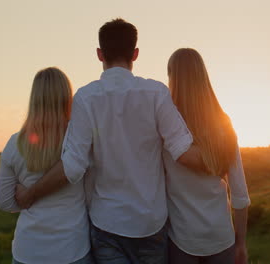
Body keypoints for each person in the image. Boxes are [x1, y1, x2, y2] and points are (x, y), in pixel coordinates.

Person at [14, 19, 206, 264]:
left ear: (99, 54)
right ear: (135, 54)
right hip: (151, 224)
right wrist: (224, 158)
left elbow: (72, 166)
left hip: (107, 224)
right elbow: (183, 151)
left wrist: (30, 194)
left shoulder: (85, 98)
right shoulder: (156, 93)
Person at [0, 67, 94, 264]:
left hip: (28, 251)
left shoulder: (14, 143)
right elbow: (92, 196)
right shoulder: (78, 140)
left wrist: (23, 193)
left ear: (34, 98)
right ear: (67, 97)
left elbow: (5, 202)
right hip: (71, 249)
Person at [164, 48, 251, 264]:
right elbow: (240, 194)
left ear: (172, 77)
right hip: (222, 238)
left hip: (181, 239)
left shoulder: (166, 127)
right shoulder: (223, 124)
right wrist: (241, 244)